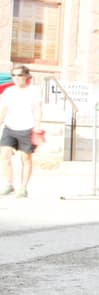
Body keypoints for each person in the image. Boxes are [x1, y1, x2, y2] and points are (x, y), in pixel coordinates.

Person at [0, 65, 42, 198]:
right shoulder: (9, 91)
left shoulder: (33, 91)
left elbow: (38, 109)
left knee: (26, 158)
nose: (16, 78)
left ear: (26, 76)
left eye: (19, 75)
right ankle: (9, 184)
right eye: (14, 75)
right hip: (10, 127)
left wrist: (37, 125)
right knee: (4, 155)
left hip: (27, 128)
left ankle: (23, 188)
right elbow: (4, 109)